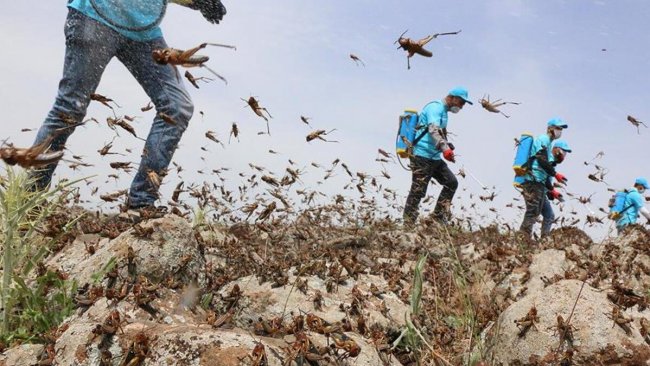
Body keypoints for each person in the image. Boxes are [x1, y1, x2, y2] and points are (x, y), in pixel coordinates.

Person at [28, 0, 226, 216]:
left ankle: (140, 205)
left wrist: (197, 2)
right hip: (94, 16)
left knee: (177, 107)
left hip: (143, 31)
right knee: (70, 108)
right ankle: (28, 202)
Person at [403, 87, 473, 226]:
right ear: (452, 97)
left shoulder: (445, 113)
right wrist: (444, 149)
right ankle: (408, 223)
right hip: (421, 155)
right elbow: (433, 130)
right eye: (461, 102)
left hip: (434, 157)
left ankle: (437, 218)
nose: (462, 106)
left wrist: (447, 147)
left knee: (451, 182)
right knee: (418, 190)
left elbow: (440, 134)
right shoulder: (435, 108)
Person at [518, 118, 571, 237]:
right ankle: (522, 238)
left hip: (539, 183)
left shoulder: (548, 143)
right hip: (533, 180)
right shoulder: (544, 139)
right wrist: (555, 174)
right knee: (533, 212)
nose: (559, 131)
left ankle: (541, 239)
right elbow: (541, 159)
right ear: (550, 128)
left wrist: (552, 191)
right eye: (558, 128)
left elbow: (545, 174)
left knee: (543, 213)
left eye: (561, 129)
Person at [540, 139, 572, 237]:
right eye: (563, 152)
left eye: (565, 154)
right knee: (533, 213)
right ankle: (524, 237)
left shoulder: (552, 163)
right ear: (556, 149)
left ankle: (544, 239)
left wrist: (551, 192)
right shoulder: (547, 159)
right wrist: (552, 187)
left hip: (542, 190)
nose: (563, 156)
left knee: (549, 215)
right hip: (535, 188)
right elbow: (541, 175)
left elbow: (546, 180)